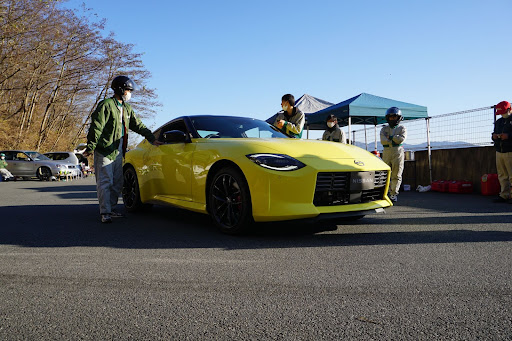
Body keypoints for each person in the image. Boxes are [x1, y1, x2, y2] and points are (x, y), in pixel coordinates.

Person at [83, 75, 163, 223]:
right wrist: (91, 146)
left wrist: (152, 138)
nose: (129, 93)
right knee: (105, 181)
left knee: (117, 182)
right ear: (120, 90)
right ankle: (105, 212)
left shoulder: (127, 108)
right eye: (127, 90)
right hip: (105, 149)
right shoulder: (106, 105)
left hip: (119, 149)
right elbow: (97, 127)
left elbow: (137, 125)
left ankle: (112, 209)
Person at [380, 107, 407, 202]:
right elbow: (383, 141)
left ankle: (393, 194)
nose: (392, 119)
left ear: (399, 118)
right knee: (385, 174)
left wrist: (390, 137)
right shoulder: (384, 129)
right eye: (390, 117)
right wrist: (394, 138)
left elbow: (401, 139)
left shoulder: (402, 128)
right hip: (386, 151)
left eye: (394, 117)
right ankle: (384, 192)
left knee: (396, 174)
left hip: (398, 152)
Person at [491, 100, 512, 203]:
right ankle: (504, 195)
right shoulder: (499, 122)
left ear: (509, 109)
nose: (502, 115)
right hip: (499, 151)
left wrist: (508, 136)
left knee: (511, 175)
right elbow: (494, 133)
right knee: (502, 175)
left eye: (503, 112)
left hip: (510, 151)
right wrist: (494, 136)